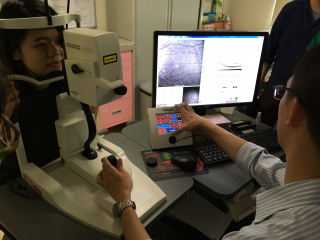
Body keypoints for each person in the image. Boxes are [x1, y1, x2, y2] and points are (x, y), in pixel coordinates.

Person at [97, 43, 320, 239]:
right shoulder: (306, 185)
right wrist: (206, 124)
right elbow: (260, 162)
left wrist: (124, 201)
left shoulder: (274, 234)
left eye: (283, 92)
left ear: (294, 110)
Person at [0, 0, 69, 185]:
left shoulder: (67, 80)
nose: (56, 52)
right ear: (15, 51)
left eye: (57, 41)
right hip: (15, 184)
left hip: (61, 171)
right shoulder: (7, 92)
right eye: (42, 44)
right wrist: (4, 118)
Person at [259, 0, 320, 127]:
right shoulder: (291, 9)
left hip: (306, 99)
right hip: (274, 92)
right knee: (260, 135)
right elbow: (268, 52)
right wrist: (255, 88)